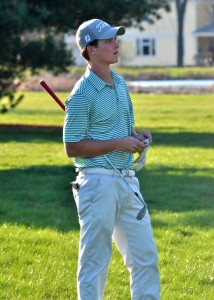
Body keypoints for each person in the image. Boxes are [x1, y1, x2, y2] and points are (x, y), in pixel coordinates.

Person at [63, 19, 160, 300]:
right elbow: (72, 147)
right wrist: (119, 143)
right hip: (97, 183)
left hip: (127, 181)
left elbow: (118, 129)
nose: (115, 44)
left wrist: (135, 137)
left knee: (145, 258)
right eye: (108, 41)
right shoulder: (81, 94)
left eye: (115, 39)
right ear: (90, 50)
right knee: (95, 262)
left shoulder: (119, 83)